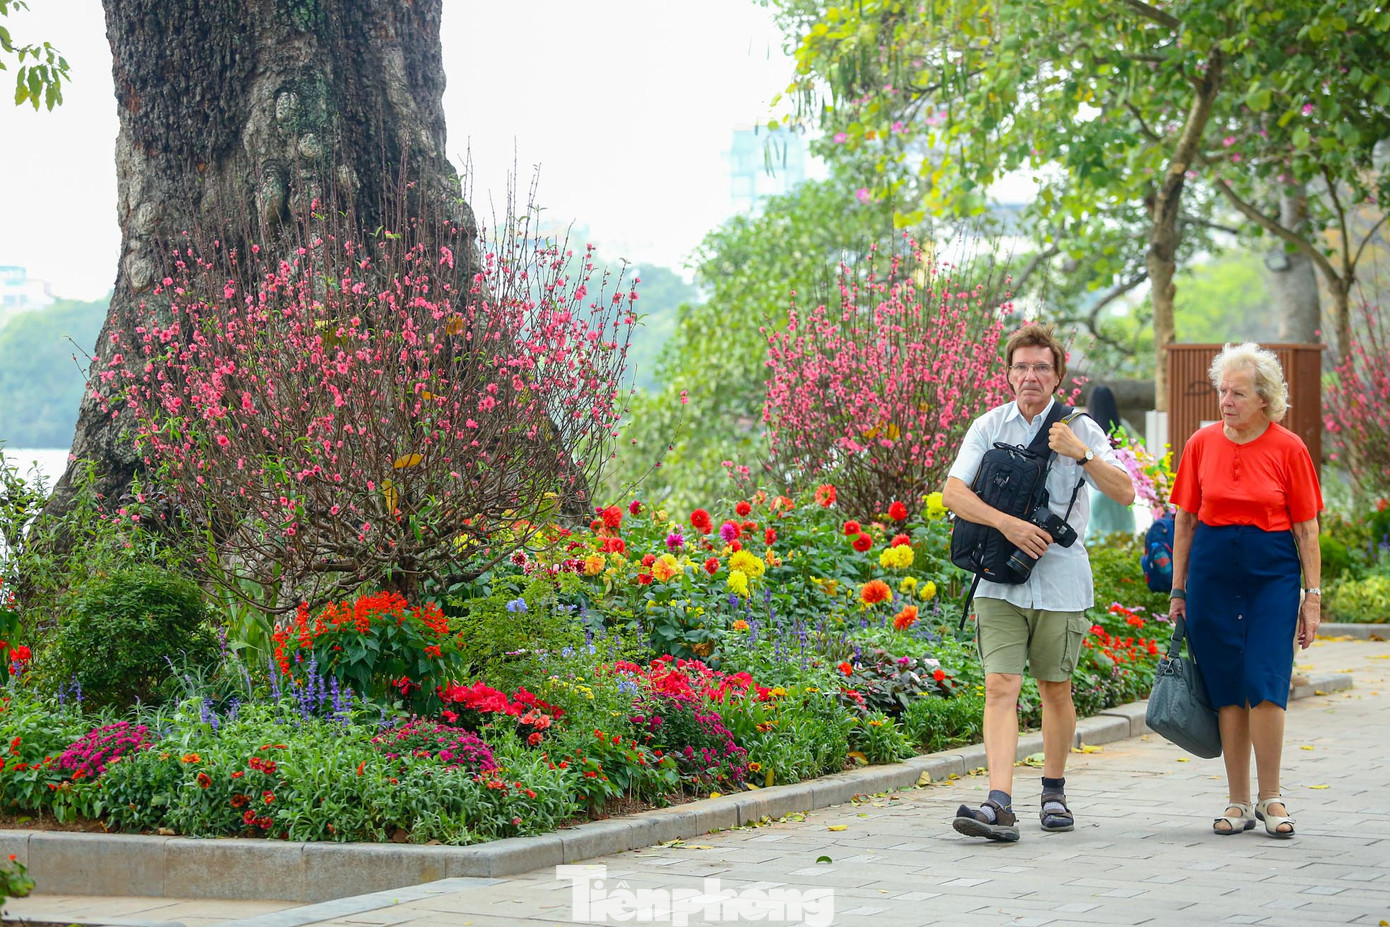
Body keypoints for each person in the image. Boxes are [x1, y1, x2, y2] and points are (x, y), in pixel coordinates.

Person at [943, 324, 1136, 842]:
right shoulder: (988, 426)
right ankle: (998, 802)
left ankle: (1053, 790)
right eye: (1022, 367)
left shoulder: (1082, 428)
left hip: (1061, 582)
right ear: (1008, 373)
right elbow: (953, 494)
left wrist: (1082, 453)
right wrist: (1006, 524)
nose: (1031, 376)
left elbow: (1126, 494)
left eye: (1041, 367)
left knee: (1055, 688)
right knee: (1000, 686)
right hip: (998, 579)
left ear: (1058, 375)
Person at [1167, 342, 1322, 839]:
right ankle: (1238, 802)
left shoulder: (1289, 447)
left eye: (1237, 393)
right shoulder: (1201, 443)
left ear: (1264, 399)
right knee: (1228, 685)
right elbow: (1186, 520)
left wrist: (1312, 595)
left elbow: (1307, 529)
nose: (1225, 401)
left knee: (1266, 678)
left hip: (1271, 575)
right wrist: (1178, 589)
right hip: (1212, 575)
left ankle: (1272, 796)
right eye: (1221, 391)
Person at [1083, 385, 1136, 539]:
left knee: (1097, 534)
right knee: (1123, 534)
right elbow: (1134, 454)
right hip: (1118, 483)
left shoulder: (1087, 425)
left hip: (1096, 487)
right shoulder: (1122, 426)